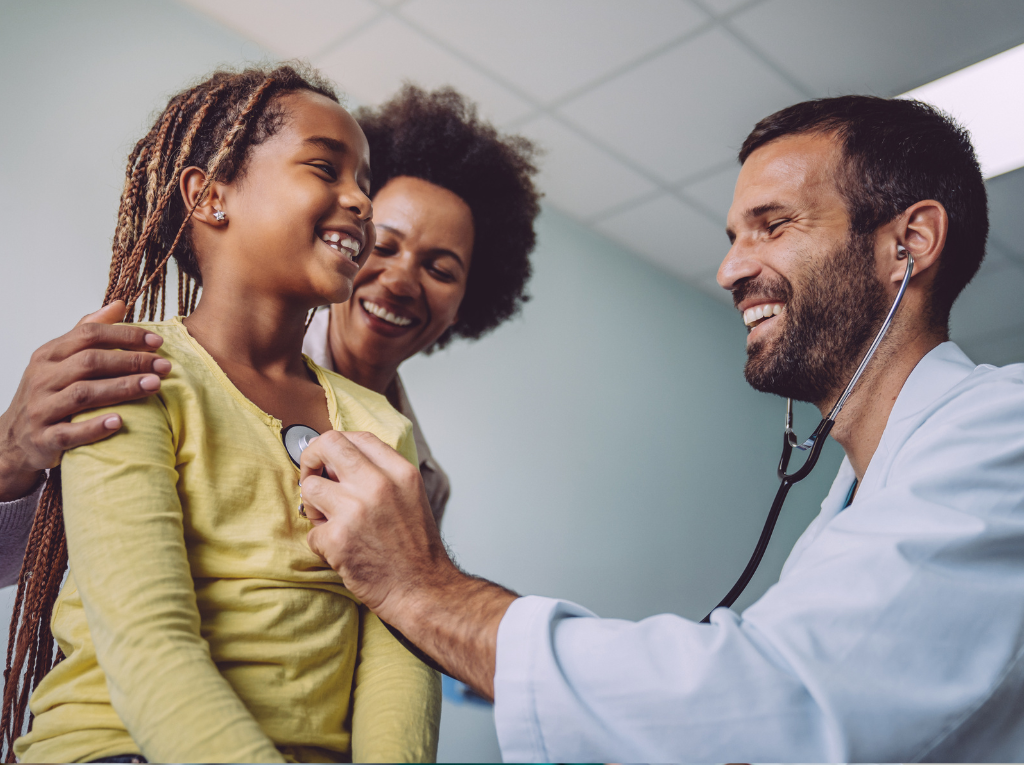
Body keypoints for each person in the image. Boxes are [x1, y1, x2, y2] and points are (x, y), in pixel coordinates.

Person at [293, 95, 1024, 762]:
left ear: (910, 242)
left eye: (772, 226)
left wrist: (428, 591)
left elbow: (759, 703)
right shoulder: (853, 507)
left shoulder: (1001, 429)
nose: (730, 269)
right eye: (735, 236)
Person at [5, 64, 441, 763]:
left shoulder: (379, 425)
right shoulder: (132, 374)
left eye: (365, 182)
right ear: (209, 196)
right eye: (325, 169)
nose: (361, 202)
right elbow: (148, 641)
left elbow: (402, 644)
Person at [0, 84, 540, 583]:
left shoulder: (418, 475)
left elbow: (395, 620)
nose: (400, 281)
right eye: (388, 244)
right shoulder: (150, 374)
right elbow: (42, 561)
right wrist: (8, 460)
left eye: (440, 270)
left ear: (467, 303)